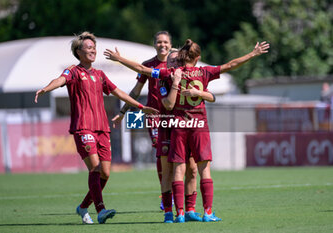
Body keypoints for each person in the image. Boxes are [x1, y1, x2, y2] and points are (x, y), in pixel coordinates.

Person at [104, 39, 270, 223]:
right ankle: (207, 213)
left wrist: (120, 59)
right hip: (198, 125)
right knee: (203, 169)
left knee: (179, 169)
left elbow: (143, 70)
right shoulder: (205, 71)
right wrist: (252, 54)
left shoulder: (172, 73)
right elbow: (231, 65)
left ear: (181, 57)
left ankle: (181, 213)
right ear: (198, 57)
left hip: (178, 125)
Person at [34, 31, 158, 225]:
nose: (93, 50)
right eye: (89, 48)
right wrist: (45, 88)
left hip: (102, 128)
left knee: (105, 173)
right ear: (79, 51)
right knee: (96, 167)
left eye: (94, 47)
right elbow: (59, 81)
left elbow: (119, 92)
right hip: (83, 128)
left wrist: (141, 106)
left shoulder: (100, 74)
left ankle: (83, 207)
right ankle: (101, 210)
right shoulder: (73, 71)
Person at [112, 31, 171, 208]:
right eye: (159, 42)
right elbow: (136, 91)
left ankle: (177, 193)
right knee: (162, 153)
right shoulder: (148, 65)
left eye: (166, 42)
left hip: (175, 116)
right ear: (154, 45)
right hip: (154, 116)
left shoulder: (177, 64)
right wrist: (123, 112)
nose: (162, 45)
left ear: (171, 44)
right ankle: (166, 195)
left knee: (177, 157)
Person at [159, 49, 216, 223]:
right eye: (172, 61)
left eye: (178, 61)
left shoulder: (189, 75)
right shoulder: (164, 79)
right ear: (167, 63)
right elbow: (168, 105)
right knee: (168, 171)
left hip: (186, 126)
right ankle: (170, 211)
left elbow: (208, 96)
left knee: (192, 169)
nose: (175, 64)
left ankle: (189, 210)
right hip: (166, 126)